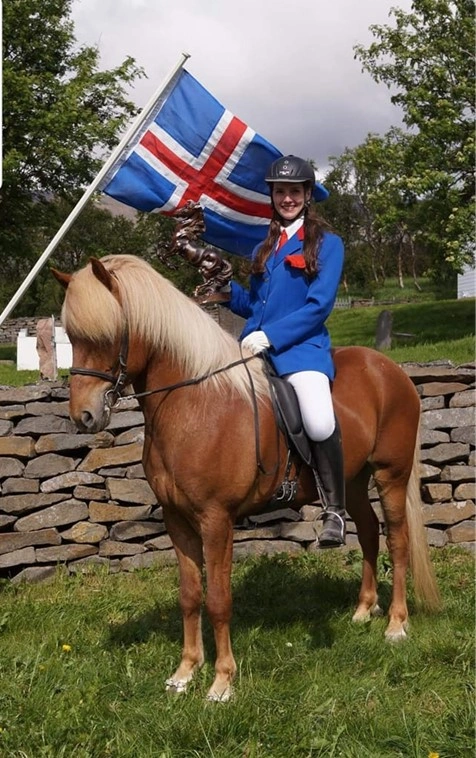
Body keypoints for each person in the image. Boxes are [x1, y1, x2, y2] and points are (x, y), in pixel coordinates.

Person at [226, 155, 346, 547]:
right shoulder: (265, 246)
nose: (287, 198)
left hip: (301, 350)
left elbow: (318, 307)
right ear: (273, 196)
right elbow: (255, 306)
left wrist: (272, 336)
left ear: (308, 194)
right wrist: (226, 289)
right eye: (280, 191)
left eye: (295, 191)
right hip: (253, 351)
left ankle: (335, 511)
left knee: (319, 422)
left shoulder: (328, 244)